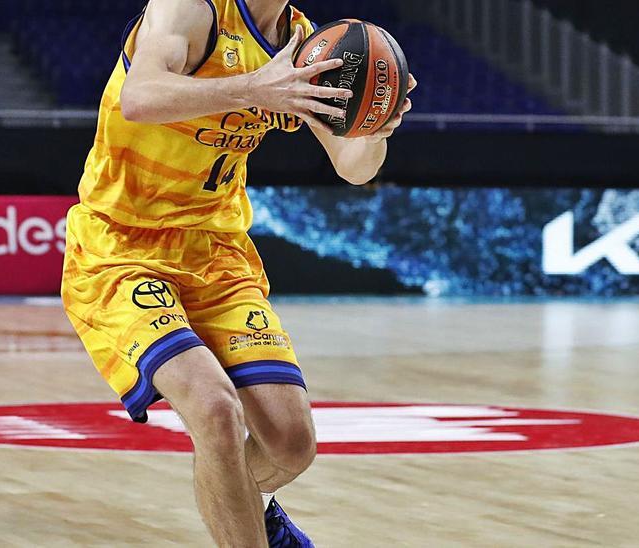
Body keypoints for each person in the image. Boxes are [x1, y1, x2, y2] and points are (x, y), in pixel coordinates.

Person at [59, 0, 414, 546]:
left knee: (290, 445)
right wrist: (255, 88)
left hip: (217, 250)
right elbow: (141, 96)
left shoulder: (309, 43)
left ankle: (252, 506)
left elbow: (352, 166)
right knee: (215, 409)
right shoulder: (191, 9)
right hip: (121, 243)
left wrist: (377, 127)